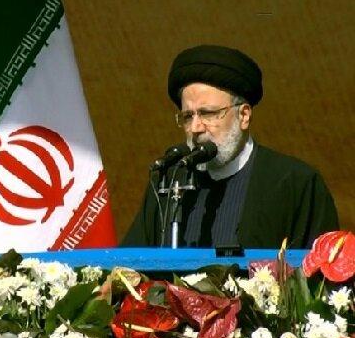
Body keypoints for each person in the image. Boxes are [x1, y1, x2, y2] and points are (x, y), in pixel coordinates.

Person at [123, 44, 339, 249]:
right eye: (188, 116)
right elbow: (127, 267)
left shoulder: (295, 183)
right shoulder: (169, 182)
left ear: (243, 115)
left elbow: (320, 269)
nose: (196, 128)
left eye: (208, 113)